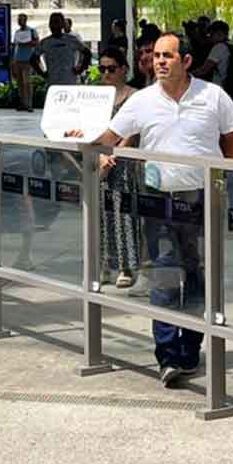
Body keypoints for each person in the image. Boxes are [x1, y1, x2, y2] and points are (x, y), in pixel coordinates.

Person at [91, 32, 233, 386]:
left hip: (200, 197)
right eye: (157, 56)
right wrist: (81, 140)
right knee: (162, 274)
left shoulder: (212, 96)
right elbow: (109, 137)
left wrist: (213, 169)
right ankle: (166, 354)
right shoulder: (143, 101)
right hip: (158, 198)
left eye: (168, 56)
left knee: (196, 274)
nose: (160, 61)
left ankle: (189, 349)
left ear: (186, 61)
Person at [93, 47, 140, 288]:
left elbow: (132, 131)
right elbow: (90, 128)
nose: (106, 74)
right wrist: (100, 155)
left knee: (123, 212)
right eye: (102, 69)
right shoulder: (97, 96)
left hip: (124, 162)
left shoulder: (135, 96)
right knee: (101, 211)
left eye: (111, 68)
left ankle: (127, 266)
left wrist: (116, 153)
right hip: (100, 159)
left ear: (124, 69)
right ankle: (104, 264)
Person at [35, 12, 89, 87]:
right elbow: (33, 59)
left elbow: (87, 53)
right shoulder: (45, 42)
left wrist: (80, 69)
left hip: (70, 81)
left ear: (62, 25)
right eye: (52, 23)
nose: (54, 25)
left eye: (57, 22)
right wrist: (42, 73)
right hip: (52, 83)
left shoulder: (71, 39)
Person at [9, 14, 39, 110]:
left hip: (28, 59)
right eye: (18, 20)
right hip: (18, 59)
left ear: (25, 20)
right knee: (20, 82)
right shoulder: (17, 32)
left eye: (21, 19)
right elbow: (14, 45)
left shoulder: (31, 31)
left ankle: (29, 104)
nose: (19, 21)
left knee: (27, 82)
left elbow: (37, 42)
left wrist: (29, 43)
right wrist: (12, 59)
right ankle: (22, 103)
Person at [193, 20, 232, 87]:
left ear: (218, 33)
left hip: (221, 88)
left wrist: (187, 75)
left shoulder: (219, 47)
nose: (210, 38)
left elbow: (204, 70)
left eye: (211, 34)